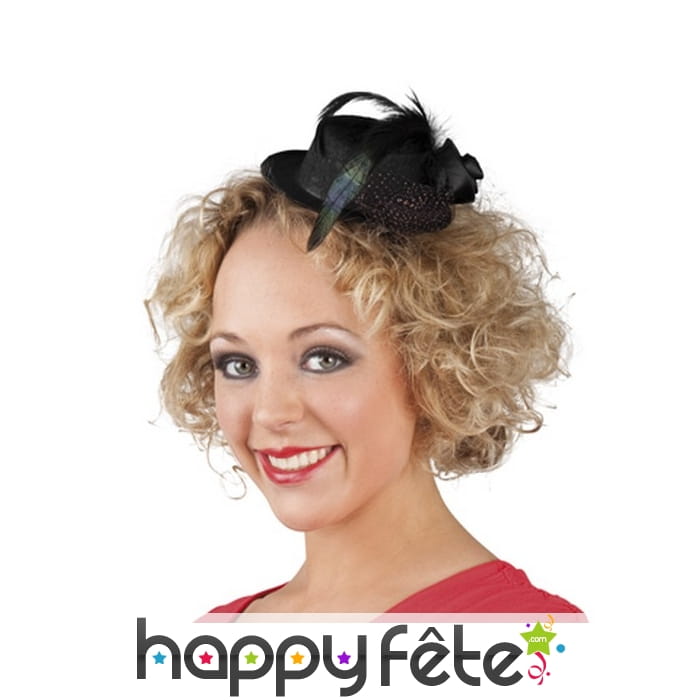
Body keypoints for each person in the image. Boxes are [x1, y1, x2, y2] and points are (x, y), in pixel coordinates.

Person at [147, 91, 582, 614]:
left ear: (436, 364)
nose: (269, 412)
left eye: (323, 358)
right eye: (238, 365)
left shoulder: (527, 639)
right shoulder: (218, 637)